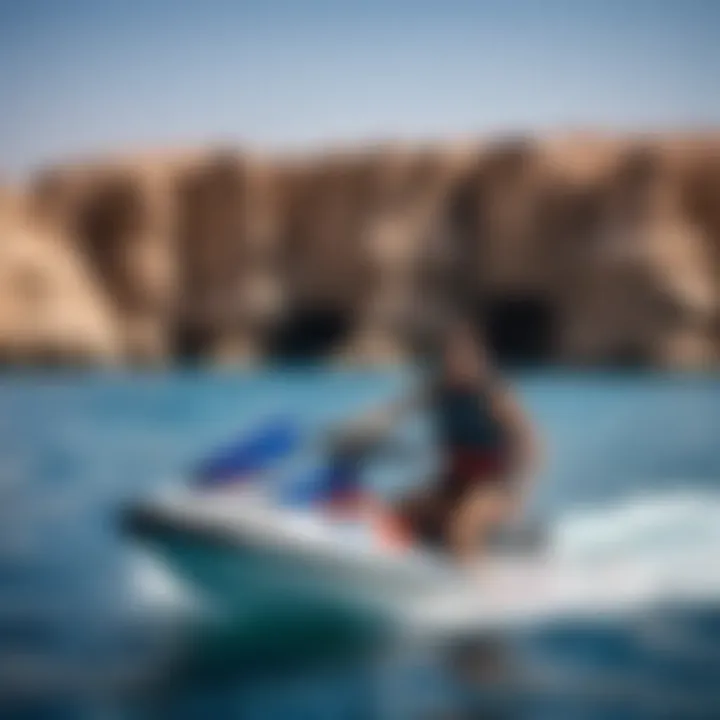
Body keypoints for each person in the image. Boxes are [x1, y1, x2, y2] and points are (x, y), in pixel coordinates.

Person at [332, 319, 540, 562]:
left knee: (463, 530)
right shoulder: (437, 389)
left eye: (463, 354)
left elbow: (531, 444)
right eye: (449, 355)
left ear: (479, 357)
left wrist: (519, 495)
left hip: (492, 488)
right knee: (398, 512)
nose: (455, 362)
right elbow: (392, 411)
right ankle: (403, 567)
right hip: (454, 482)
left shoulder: (493, 395)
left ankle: (488, 589)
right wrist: (352, 431)